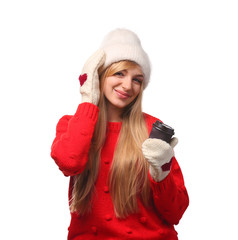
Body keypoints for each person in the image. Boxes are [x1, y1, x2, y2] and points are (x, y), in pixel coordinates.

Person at [51, 28, 189, 240]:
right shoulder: (73, 123)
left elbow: (176, 212)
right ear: (100, 76)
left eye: (137, 79)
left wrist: (162, 173)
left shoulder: (152, 128)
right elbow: (69, 163)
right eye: (119, 73)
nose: (127, 86)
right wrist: (88, 98)